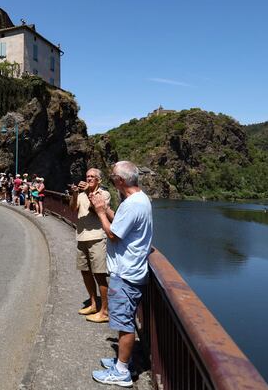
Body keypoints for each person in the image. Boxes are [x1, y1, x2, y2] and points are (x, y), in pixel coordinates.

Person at [90, 161, 153, 387]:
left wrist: (99, 212)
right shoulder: (137, 200)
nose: (111, 178)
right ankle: (122, 361)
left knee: (124, 323)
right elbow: (121, 224)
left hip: (125, 273)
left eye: (113, 175)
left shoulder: (133, 204)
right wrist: (106, 208)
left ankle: (122, 372)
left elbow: (114, 234)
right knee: (124, 320)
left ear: (121, 180)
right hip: (130, 270)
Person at [70, 169, 111, 324]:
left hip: (97, 239)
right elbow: (73, 208)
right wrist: (75, 194)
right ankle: (94, 304)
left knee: (100, 275)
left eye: (92, 177)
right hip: (81, 238)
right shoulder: (81, 194)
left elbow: (98, 210)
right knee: (85, 272)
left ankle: (105, 311)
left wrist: (88, 192)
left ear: (99, 180)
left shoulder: (103, 194)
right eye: (87, 176)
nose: (88, 178)